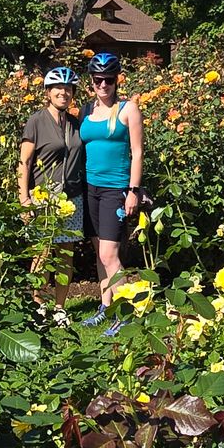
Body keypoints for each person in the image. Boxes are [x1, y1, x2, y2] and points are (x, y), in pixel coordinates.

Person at [79, 53, 144, 336]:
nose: (103, 85)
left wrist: (133, 192)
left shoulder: (128, 110)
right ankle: (105, 306)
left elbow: (138, 152)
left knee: (110, 254)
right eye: (97, 80)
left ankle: (126, 312)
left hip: (115, 190)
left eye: (108, 80)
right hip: (89, 189)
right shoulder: (86, 110)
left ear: (117, 80)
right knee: (98, 252)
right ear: (91, 81)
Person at [18, 66, 84, 327]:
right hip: (44, 196)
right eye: (58, 88)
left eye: (68, 88)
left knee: (66, 254)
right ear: (48, 92)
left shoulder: (74, 123)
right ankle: (39, 306)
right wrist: (24, 199)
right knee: (43, 254)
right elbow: (24, 162)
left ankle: (60, 308)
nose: (63, 92)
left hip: (71, 198)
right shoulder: (36, 121)